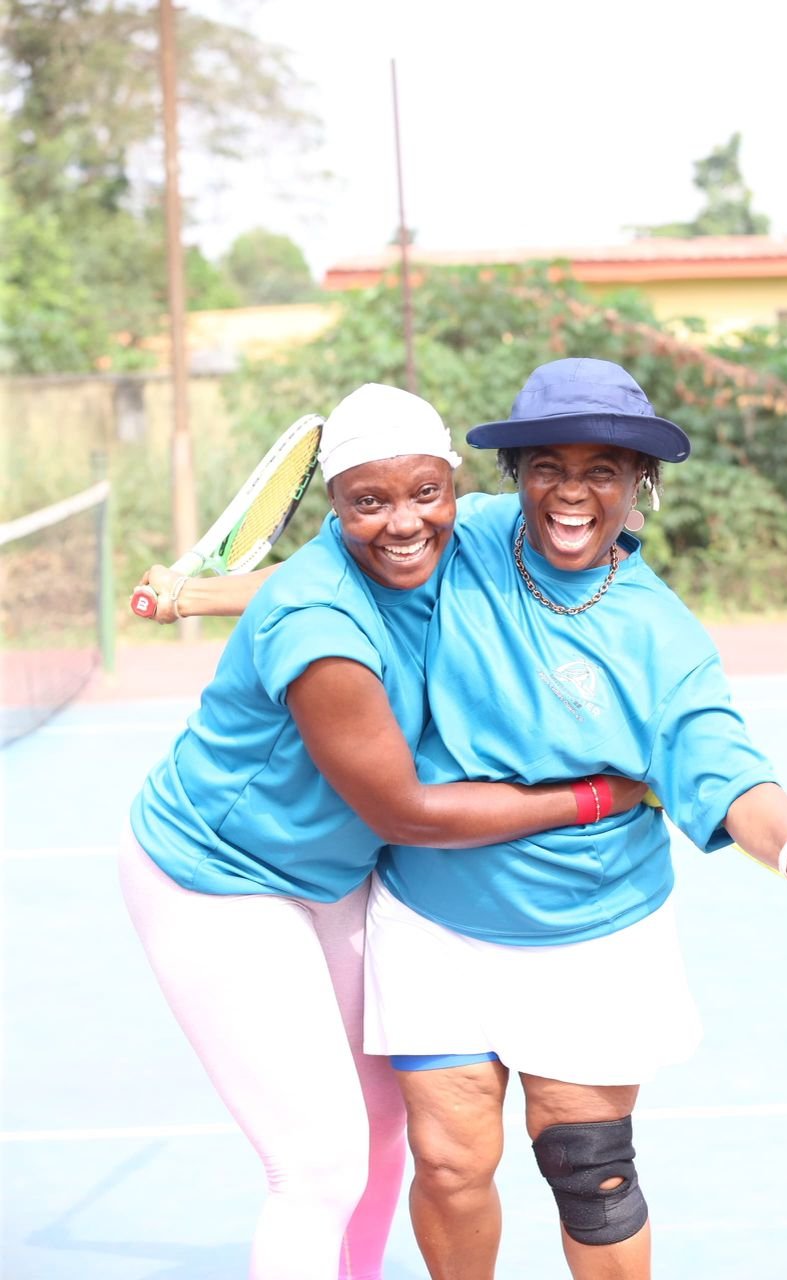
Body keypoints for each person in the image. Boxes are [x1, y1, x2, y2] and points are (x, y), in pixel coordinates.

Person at [122, 380, 647, 1280]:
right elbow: (404, 812)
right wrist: (600, 795)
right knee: (315, 1169)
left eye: (424, 493)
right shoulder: (320, 632)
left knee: (382, 1121)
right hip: (219, 877)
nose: (403, 522)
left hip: (333, 873)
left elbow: (591, 524)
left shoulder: (463, 533)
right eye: (369, 502)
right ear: (335, 505)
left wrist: (195, 596)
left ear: (453, 484)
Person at [359, 358, 787, 1280]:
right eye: (549, 466)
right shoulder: (463, 537)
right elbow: (330, 582)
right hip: (433, 917)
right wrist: (192, 596)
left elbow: (723, 764)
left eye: (603, 470)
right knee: (450, 1163)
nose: (572, 491)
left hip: (591, 928)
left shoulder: (661, 635)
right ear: (517, 475)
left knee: (589, 1173)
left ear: (639, 485)